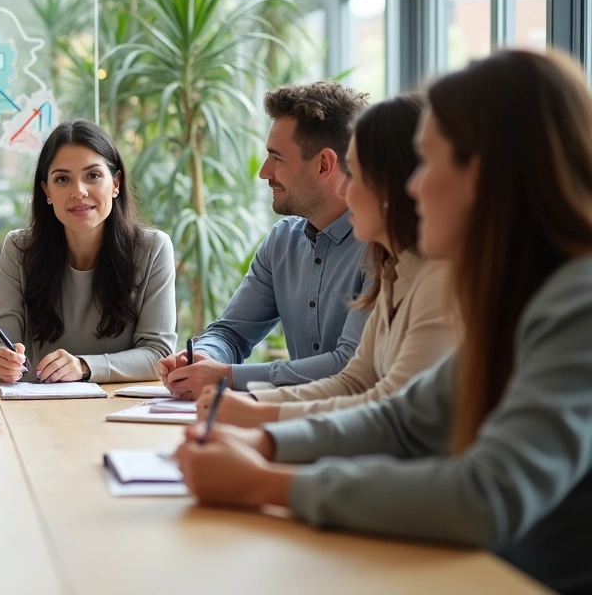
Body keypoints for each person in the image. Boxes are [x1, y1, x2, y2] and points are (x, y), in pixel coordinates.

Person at [175, 49, 592, 594]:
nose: (413, 187)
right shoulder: (518, 295)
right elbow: (402, 419)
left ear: (483, 175)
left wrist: (265, 482)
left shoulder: (576, 302)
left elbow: (485, 495)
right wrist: (267, 446)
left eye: (427, 163)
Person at [195, 94, 457, 426]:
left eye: (357, 175)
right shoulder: (391, 267)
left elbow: (386, 410)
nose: (346, 192)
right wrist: (250, 403)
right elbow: (355, 383)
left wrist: (255, 417)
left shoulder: (430, 275)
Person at [160, 81, 370, 399]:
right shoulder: (283, 241)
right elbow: (230, 333)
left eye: (277, 158)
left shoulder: (380, 245)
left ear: (324, 165)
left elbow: (348, 367)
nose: (263, 172)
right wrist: (204, 359)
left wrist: (227, 377)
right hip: (295, 422)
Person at [0, 119, 176, 383]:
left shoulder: (153, 248)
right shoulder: (19, 249)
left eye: (93, 176)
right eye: (62, 179)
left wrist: (84, 366)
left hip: (119, 409)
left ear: (116, 183)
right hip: (39, 410)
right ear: (46, 190)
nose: (78, 191)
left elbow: (159, 354)